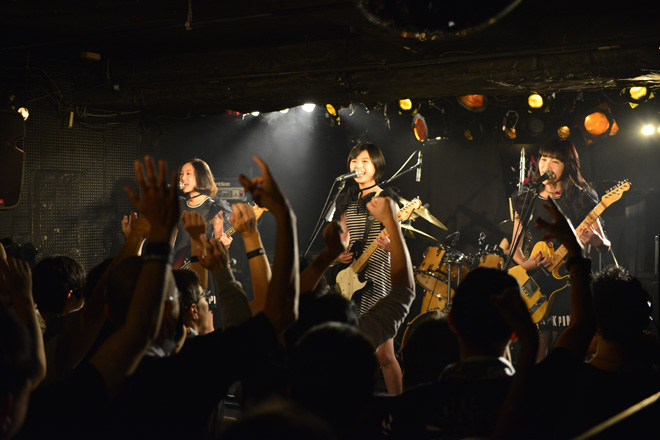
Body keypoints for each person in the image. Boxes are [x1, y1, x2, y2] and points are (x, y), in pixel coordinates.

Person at [510, 138, 610, 357]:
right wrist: (524, 264)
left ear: (568, 165)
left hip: (569, 280)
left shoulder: (582, 197)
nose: (547, 165)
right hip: (538, 278)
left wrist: (595, 240)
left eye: (555, 161)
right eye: (544, 159)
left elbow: (605, 245)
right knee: (537, 349)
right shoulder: (525, 198)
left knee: (565, 347)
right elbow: (513, 243)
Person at [333, 141, 403, 394]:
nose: (358, 165)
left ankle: (399, 408)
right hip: (351, 281)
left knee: (385, 355)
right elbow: (343, 237)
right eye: (354, 161)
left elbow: (400, 246)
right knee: (348, 352)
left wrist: (390, 246)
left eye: (364, 161)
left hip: (379, 281)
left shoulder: (386, 199)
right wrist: (339, 254)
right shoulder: (347, 200)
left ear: (377, 166)